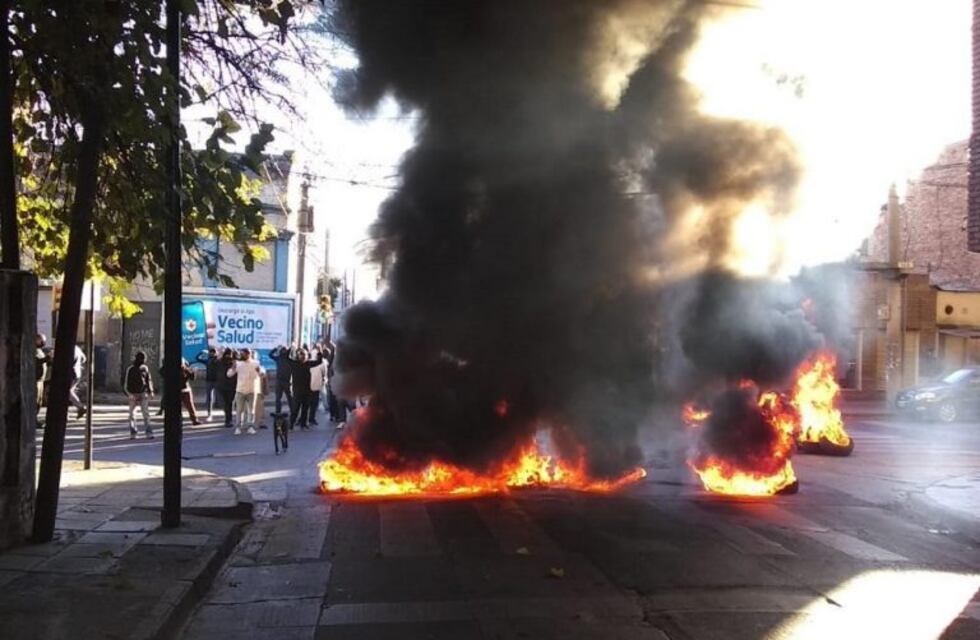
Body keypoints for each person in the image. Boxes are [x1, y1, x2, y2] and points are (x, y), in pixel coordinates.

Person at [228, 348, 263, 435]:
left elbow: (262, 373)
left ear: (249, 354)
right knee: (239, 410)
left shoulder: (255, 363)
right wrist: (233, 367)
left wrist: (260, 371)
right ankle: (238, 428)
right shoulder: (238, 364)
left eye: (243, 354)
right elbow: (229, 375)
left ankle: (250, 427)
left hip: (252, 390)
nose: (241, 355)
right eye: (241, 354)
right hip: (240, 390)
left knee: (251, 410)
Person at [289, 348, 323, 430]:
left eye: (305, 355)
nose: (303, 356)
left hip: (307, 391)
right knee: (295, 409)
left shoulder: (308, 363)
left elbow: (319, 362)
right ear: (298, 355)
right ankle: (291, 424)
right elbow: (286, 358)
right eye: (302, 355)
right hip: (297, 391)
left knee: (305, 408)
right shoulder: (294, 363)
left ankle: (303, 424)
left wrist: (320, 352)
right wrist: (290, 349)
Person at [124, 351, 154, 439]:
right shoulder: (130, 369)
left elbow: (149, 380)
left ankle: (149, 432)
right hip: (133, 394)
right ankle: (133, 432)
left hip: (143, 393)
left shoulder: (145, 368)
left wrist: (150, 391)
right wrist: (129, 394)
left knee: (146, 413)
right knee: (132, 414)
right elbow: (126, 383)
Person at [268, 344, 294, 416]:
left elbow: (270, 354)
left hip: (286, 382)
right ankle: (278, 412)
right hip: (280, 381)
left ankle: (292, 411)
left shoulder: (289, 360)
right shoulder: (279, 358)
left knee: (289, 398)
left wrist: (290, 347)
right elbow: (270, 355)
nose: (283, 352)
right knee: (279, 398)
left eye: (284, 350)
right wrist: (276, 348)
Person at [195, 348, 219, 420]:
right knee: (209, 398)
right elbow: (197, 358)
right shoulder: (208, 360)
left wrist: (217, 355)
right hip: (209, 381)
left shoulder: (217, 360)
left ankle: (225, 412)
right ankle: (209, 414)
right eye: (211, 352)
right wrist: (202, 352)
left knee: (221, 396)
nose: (212, 353)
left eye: (213, 352)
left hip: (217, 381)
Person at [215, 348, 237, 427]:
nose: (228, 356)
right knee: (227, 404)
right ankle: (228, 419)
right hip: (226, 386)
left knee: (228, 404)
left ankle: (228, 420)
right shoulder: (223, 362)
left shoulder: (232, 362)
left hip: (227, 386)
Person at [308, 349, 327, 426]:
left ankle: (310, 418)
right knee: (312, 403)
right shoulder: (312, 363)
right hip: (312, 385)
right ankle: (309, 419)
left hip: (314, 385)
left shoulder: (312, 363)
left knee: (313, 404)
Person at [180, 359, 201, 425]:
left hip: (186, 390)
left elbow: (192, 378)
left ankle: (195, 420)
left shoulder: (185, 369)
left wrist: (194, 372)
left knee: (190, 406)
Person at [35, 334, 50, 428]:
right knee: (35, 401)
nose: (43, 343)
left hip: (41, 380)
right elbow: (36, 361)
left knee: (39, 401)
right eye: (41, 340)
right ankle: (33, 419)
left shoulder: (40, 350)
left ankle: (35, 418)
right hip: (35, 380)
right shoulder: (32, 350)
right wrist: (47, 358)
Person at [70, 343, 87, 419]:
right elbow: (84, 359)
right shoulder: (77, 348)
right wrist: (78, 364)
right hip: (77, 373)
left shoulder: (69, 349)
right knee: (70, 391)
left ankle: (80, 407)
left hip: (71, 373)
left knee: (68, 392)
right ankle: (80, 407)